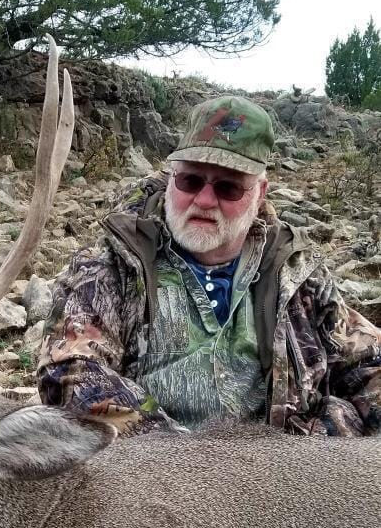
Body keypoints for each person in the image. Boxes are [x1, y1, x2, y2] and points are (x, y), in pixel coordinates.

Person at [37, 95, 381, 436]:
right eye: (190, 181)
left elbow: (370, 368)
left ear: (260, 193)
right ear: (172, 176)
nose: (203, 201)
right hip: (148, 480)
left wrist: (318, 444)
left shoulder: (300, 277)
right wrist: (183, 457)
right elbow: (70, 372)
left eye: (229, 188)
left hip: (282, 479)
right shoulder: (110, 266)